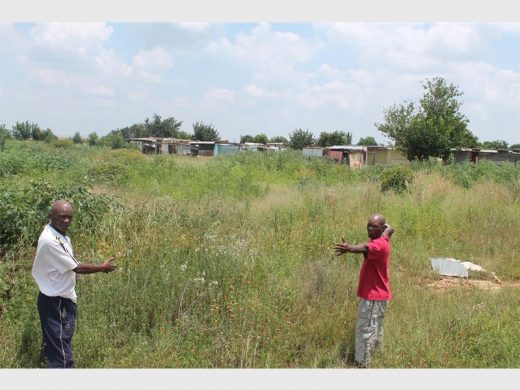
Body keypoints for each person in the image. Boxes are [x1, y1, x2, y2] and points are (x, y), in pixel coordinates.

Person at [31, 199, 116, 368]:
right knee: (62, 353)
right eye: (62, 217)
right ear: (51, 216)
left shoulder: (55, 233)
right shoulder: (52, 240)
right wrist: (102, 267)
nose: (66, 221)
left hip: (52, 297)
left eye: (69, 217)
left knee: (55, 343)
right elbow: (77, 268)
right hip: (57, 301)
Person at [334, 214, 394, 368]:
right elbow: (388, 229)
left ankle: (361, 364)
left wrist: (349, 248)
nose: (370, 228)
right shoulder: (383, 239)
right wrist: (386, 231)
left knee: (365, 330)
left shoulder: (378, 244)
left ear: (381, 229)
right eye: (369, 225)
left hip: (373, 297)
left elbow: (365, 248)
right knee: (375, 327)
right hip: (379, 296)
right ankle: (375, 354)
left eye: (374, 226)